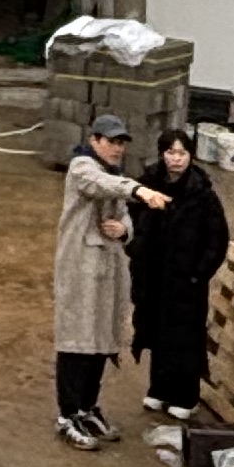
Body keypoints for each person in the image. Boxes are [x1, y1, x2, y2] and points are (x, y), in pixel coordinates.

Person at [53, 118, 169, 447]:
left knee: (101, 339)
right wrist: (139, 190)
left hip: (108, 270)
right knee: (77, 340)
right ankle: (68, 414)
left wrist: (124, 229)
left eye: (121, 143)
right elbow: (98, 185)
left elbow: (123, 214)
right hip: (80, 269)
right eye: (111, 141)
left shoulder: (114, 174)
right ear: (95, 140)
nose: (118, 148)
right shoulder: (82, 167)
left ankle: (87, 406)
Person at [126, 121, 227, 419]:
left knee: (184, 336)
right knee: (157, 331)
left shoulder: (202, 194)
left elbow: (218, 239)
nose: (176, 159)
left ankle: (186, 396)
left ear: (191, 156)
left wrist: (198, 274)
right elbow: (132, 221)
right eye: (170, 152)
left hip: (186, 281)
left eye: (182, 153)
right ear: (162, 154)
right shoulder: (147, 185)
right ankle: (159, 389)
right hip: (155, 276)